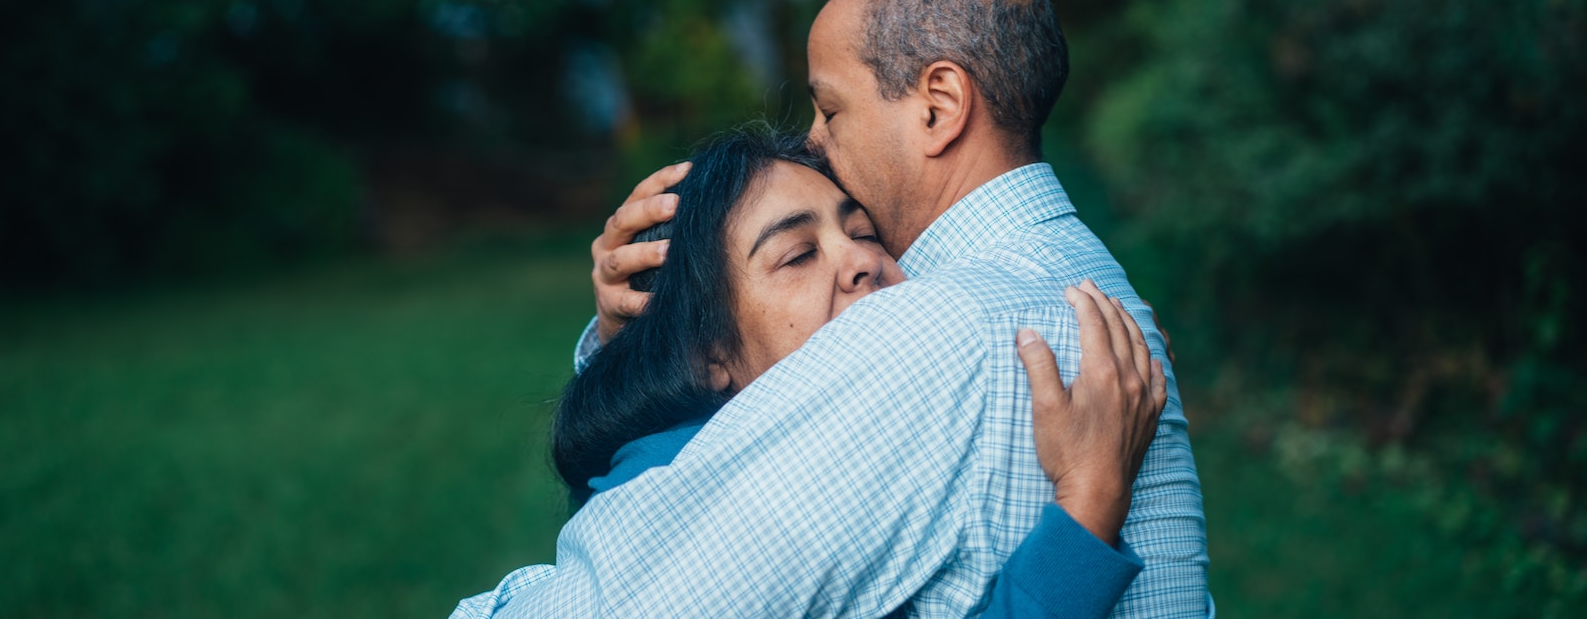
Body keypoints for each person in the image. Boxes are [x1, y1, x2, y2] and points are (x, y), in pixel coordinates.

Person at [478, 0, 1210, 616]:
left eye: (831, 108)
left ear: (939, 107)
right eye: (798, 252)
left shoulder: (931, 331)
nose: (814, 139)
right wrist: (634, 338)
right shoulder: (1088, 289)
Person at [455, 128, 1167, 618]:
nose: (860, 260)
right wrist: (1090, 502)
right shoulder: (726, 517)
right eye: (797, 256)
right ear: (710, 355)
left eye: (862, 232)